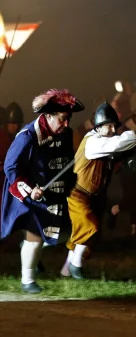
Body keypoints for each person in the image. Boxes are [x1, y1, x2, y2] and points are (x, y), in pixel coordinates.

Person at [1, 89, 84, 293]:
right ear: (47, 116)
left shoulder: (66, 133)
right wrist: (29, 190)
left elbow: (65, 161)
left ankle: (29, 249)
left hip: (54, 193)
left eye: (68, 119)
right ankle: (27, 280)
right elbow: (11, 167)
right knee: (36, 235)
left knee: (63, 233)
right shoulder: (27, 136)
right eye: (63, 119)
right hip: (28, 195)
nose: (66, 124)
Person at [61, 102, 136, 279]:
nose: (111, 129)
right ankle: (75, 266)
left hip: (91, 196)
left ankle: (66, 271)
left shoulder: (103, 140)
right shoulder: (94, 142)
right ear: (98, 126)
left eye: (113, 126)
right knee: (89, 226)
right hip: (77, 194)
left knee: (81, 234)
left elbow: (119, 148)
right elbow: (115, 145)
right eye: (108, 126)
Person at [107, 89, 136, 235]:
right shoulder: (124, 128)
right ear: (135, 114)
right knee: (130, 197)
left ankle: (134, 227)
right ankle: (115, 210)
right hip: (127, 167)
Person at [0, 102, 24, 219]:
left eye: (17, 124)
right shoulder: (2, 139)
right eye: (12, 123)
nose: (15, 126)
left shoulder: (18, 138)